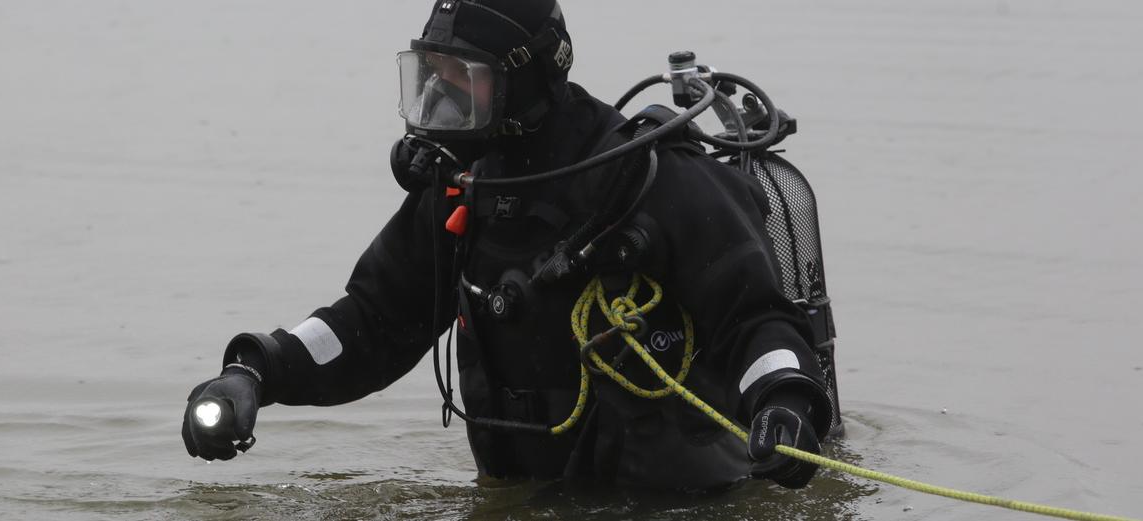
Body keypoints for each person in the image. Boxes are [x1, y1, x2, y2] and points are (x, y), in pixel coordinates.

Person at [181, 0, 839, 492]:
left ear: (524, 84)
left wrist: (782, 400)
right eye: (428, 78)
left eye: (462, 81)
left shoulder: (651, 182)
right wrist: (255, 371)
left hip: (682, 506)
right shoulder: (462, 191)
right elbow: (367, 322)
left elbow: (757, 319)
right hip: (524, 497)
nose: (439, 101)